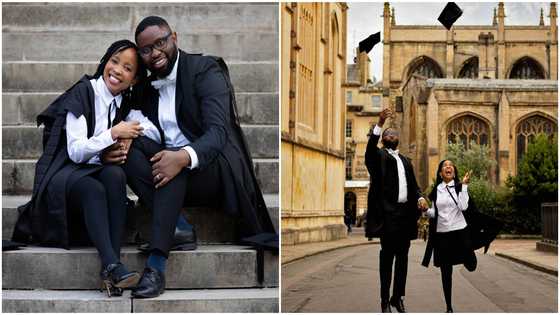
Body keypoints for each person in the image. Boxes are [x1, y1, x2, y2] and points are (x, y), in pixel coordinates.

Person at [102, 16, 277, 299]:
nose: (155, 53)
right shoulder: (145, 87)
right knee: (130, 149)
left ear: (175, 38)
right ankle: (179, 228)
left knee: (173, 163)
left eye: (160, 43)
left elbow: (218, 133)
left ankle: (156, 265)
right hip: (170, 172)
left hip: (213, 167)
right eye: (146, 50)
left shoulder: (205, 70)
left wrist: (183, 156)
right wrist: (124, 138)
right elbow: (143, 127)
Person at [12, 40, 155, 296]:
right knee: (93, 189)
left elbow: (151, 126)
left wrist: (129, 136)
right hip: (63, 173)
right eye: (114, 61)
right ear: (105, 62)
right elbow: (76, 151)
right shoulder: (83, 92)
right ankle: (112, 263)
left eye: (128, 68)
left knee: (115, 174)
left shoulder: (123, 101)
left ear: (133, 80)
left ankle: (112, 268)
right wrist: (113, 133)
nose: (118, 70)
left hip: (91, 170)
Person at [364, 108, 428, 313]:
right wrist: (380, 123)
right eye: (387, 135)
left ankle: (397, 297)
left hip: (405, 216)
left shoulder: (406, 161)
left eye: (394, 135)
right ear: (383, 140)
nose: (392, 136)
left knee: (403, 260)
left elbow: (414, 185)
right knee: (387, 258)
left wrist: (419, 197)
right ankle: (384, 300)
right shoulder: (378, 157)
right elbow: (369, 151)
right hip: (388, 215)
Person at [421, 160, 476, 313]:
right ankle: (449, 307)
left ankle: (465, 257)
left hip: (460, 232)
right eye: (445, 165)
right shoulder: (436, 190)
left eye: (450, 165)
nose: (448, 166)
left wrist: (464, 186)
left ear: (454, 171)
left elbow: (463, 207)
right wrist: (425, 210)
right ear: (440, 173)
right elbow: (434, 213)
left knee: (472, 266)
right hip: (442, 234)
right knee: (446, 272)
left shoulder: (459, 187)